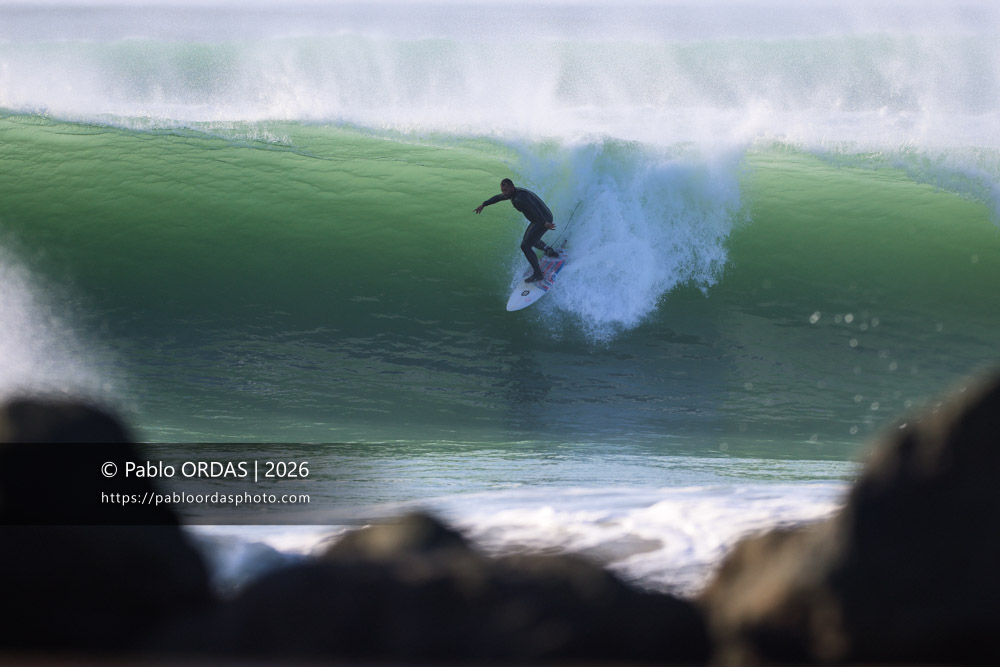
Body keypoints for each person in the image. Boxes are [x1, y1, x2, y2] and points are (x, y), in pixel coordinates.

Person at [474, 178, 559, 283]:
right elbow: (498, 198)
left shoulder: (520, 197)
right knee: (529, 240)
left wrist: (544, 223)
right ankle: (549, 250)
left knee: (525, 245)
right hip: (542, 218)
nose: (503, 193)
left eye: (505, 191)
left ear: (512, 187)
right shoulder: (513, 194)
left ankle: (538, 274)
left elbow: (534, 209)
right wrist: (484, 204)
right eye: (502, 190)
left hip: (541, 219)